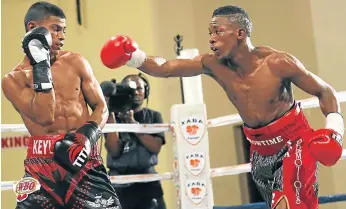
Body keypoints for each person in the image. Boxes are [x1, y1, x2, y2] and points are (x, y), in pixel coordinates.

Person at [99, 5, 344, 209]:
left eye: (218, 31)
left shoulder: (278, 63)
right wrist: (134, 56)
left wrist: (335, 131)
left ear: (240, 33)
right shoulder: (213, 64)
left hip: (293, 143)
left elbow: (325, 91)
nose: (211, 38)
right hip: (259, 150)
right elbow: (166, 68)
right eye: (209, 32)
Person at [2, 2, 121, 209]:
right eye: (56, 29)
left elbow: (101, 107)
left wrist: (85, 138)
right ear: (33, 29)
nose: (62, 36)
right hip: (42, 166)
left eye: (64, 30)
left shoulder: (76, 62)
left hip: (84, 155)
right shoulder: (13, 79)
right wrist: (41, 65)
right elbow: (45, 115)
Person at [101, 74, 167, 209]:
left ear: (146, 91)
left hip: (148, 180)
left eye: (139, 88)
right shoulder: (111, 117)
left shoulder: (154, 116)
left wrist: (133, 124)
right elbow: (114, 150)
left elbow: (155, 147)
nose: (136, 92)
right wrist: (111, 115)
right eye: (131, 89)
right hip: (119, 181)